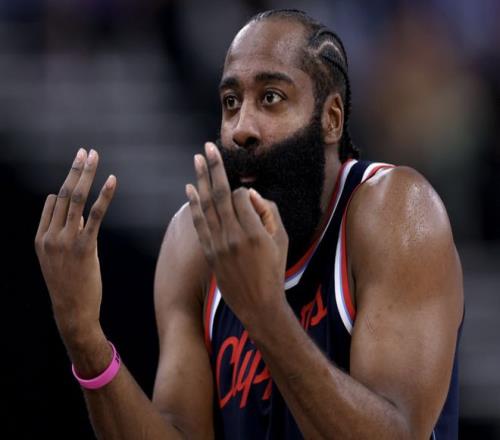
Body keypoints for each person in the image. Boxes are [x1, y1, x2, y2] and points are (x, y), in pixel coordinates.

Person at [34, 9, 464, 440]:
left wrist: (265, 314)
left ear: (331, 118)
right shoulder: (193, 244)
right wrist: (85, 339)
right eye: (231, 102)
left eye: (271, 97)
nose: (242, 128)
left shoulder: (394, 212)